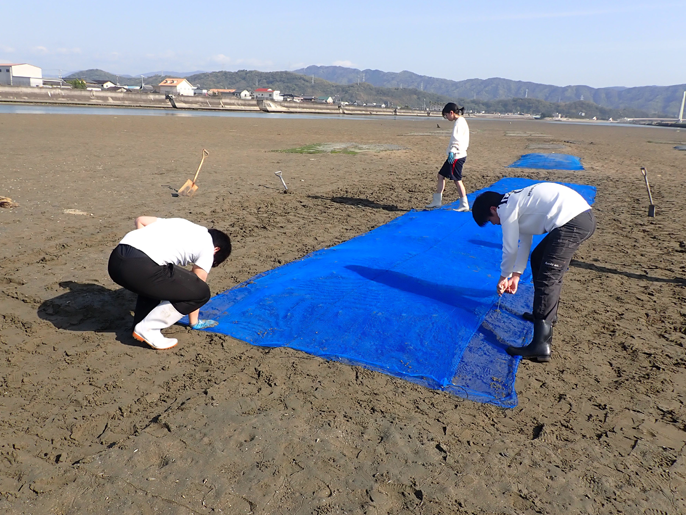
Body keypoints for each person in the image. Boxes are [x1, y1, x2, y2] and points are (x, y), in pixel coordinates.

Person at [471, 182, 596, 362]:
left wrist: (503, 277)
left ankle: (541, 345)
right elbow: (524, 241)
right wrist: (516, 275)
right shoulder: (513, 201)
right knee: (538, 259)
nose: (495, 223)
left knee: (548, 278)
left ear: (493, 208)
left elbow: (510, 248)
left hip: (573, 222)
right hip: (580, 218)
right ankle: (546, 315)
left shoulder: (505, 208)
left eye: (491, 220)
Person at [108, 216, 231, 350]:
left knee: (160, 280)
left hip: (116, 261)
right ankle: (148, 328)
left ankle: (139, 326)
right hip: (141, 267)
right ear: (216, 250)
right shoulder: (208, 246)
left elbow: (141, 220)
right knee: (202, 293)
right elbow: (197, 286)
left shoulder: (182, 223)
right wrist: (194, 323)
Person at [425, 102, 470, 212]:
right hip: (456, 154)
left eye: (446, 115)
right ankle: (437, 201)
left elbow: (457, 140)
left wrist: (453, 151)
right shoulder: (460, 121)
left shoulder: (459, 122)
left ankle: (464, 204)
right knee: (441, 175)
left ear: (451, 113)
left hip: (456, 156)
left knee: (457, 179)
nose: (446, 118)